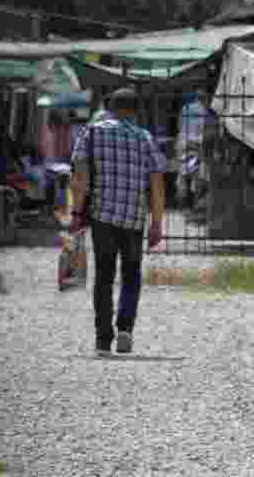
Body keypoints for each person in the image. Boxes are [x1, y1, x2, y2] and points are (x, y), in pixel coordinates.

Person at [70, 88, 166, 356]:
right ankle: (125, 329)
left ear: (110, 107)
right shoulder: (145, 138)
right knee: (131, 275)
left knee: (104, 276)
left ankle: (103, 340)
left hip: (102, 215)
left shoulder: (91, 132)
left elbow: (79, 177)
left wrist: (77, 213)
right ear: (136, 111)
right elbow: (157, 183)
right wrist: (157, 222)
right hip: (133, 218)